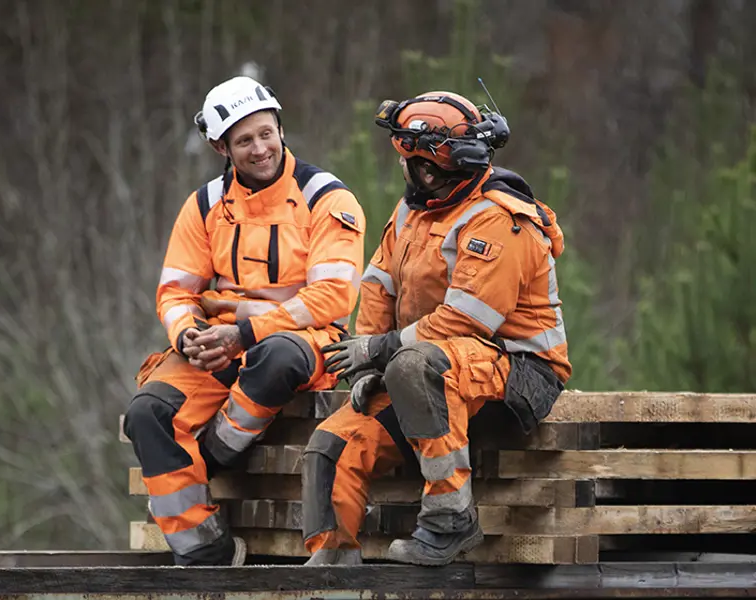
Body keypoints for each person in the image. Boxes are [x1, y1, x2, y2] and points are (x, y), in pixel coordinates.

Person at [301, 90, 571, 566]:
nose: (401, 166)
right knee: (330, 448)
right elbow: (379, 286)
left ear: (426, 167)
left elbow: (467, 320)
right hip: (429, 370)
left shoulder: (499, 219)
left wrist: (379, 350)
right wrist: (367, 368)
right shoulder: (412, 211)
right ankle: (330, 568)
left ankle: (451, 519)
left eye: (406, 158)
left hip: (518, 374)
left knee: (413, 364)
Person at [123, 75, 365, 566]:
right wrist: (188, 336)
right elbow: (176, 292)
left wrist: (246, 333)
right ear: (221, 148)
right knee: (147, 413)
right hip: (220, 341)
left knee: (275, 357)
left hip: (305, 339)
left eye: (266, 134)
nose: (260, 149)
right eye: (244, 141)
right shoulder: (204, 205)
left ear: (280, 129)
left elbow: (333, 296)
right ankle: (203, 551)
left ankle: (215, 455)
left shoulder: (327, 198)